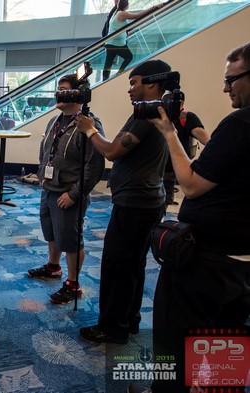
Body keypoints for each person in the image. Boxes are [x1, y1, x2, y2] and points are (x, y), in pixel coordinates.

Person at [133, 42, 250, 393]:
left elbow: (192, 183)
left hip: (206, 262)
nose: (225, 88)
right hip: (241, 260)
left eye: (232, 79)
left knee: (176, 337)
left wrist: (170, 132)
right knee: (228, 339)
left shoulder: (240, 123)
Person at [75, 59, 171, 344]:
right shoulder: (159, 111)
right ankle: (128, 319)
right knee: (133, 265)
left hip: (135, 204)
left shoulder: (146, 115)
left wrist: (91, 130)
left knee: (117, 266)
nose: (129, 89)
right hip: (148, 201)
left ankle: (112, 327)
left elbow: (113, 151)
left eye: (134, 82)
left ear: (151, 82)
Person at [27, 74, 105, 305]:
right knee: (52, 233)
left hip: (68, 193)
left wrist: (74, 194)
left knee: (71, 239)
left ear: (77, 94)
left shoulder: (88, 123)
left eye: (63, 90)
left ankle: (73, 284)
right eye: (57, 90)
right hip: (49, 188)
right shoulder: (55, 120)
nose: (57, 95)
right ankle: (53, 267)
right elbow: (46, 150)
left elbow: (94, 165)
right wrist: (43, 176)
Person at [162, 95, 210, 206]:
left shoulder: (187, 117)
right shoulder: (162, 116)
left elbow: (203, 136)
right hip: (158, 162)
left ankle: (166, 208)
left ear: (181, 103)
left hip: (174, 163)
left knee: (167, 187)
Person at [102, 0, 164, 81]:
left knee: (108, 63)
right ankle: (119, 73)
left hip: (110, 42)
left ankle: (105, 80)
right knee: (129, 57)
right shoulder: (122, 13)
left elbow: (119, 26)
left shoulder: (116, 13)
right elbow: (137, 15)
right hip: (117, 43)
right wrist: (153, 8)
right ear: (126, 5)